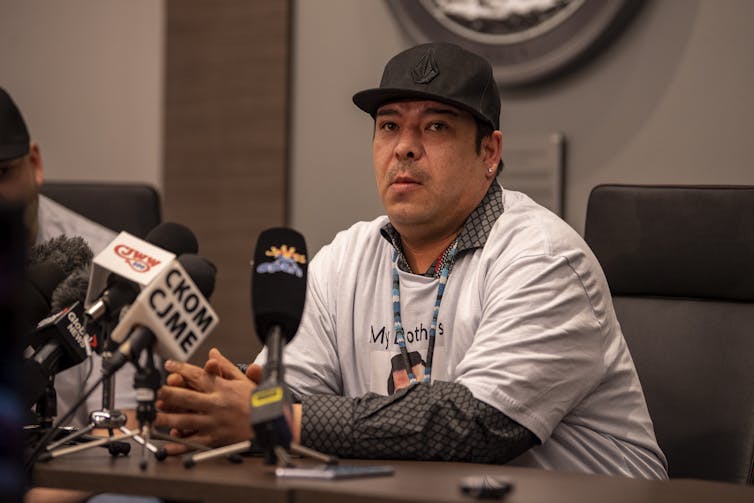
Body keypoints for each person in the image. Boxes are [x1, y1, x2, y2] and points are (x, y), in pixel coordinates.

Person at [155, 43, 668, 479]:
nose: (404, 148)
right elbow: (281, 394)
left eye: (437, 127)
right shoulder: (345, 258)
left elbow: (474, 424)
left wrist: (270, 418)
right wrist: (212, 406)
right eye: (388, 126)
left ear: (489, 152)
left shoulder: (543, 258)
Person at [1, 86, 140, 502]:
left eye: (2, 173)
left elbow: (127, 423)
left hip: (79, 480)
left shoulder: (110, 265)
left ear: (35, 164)